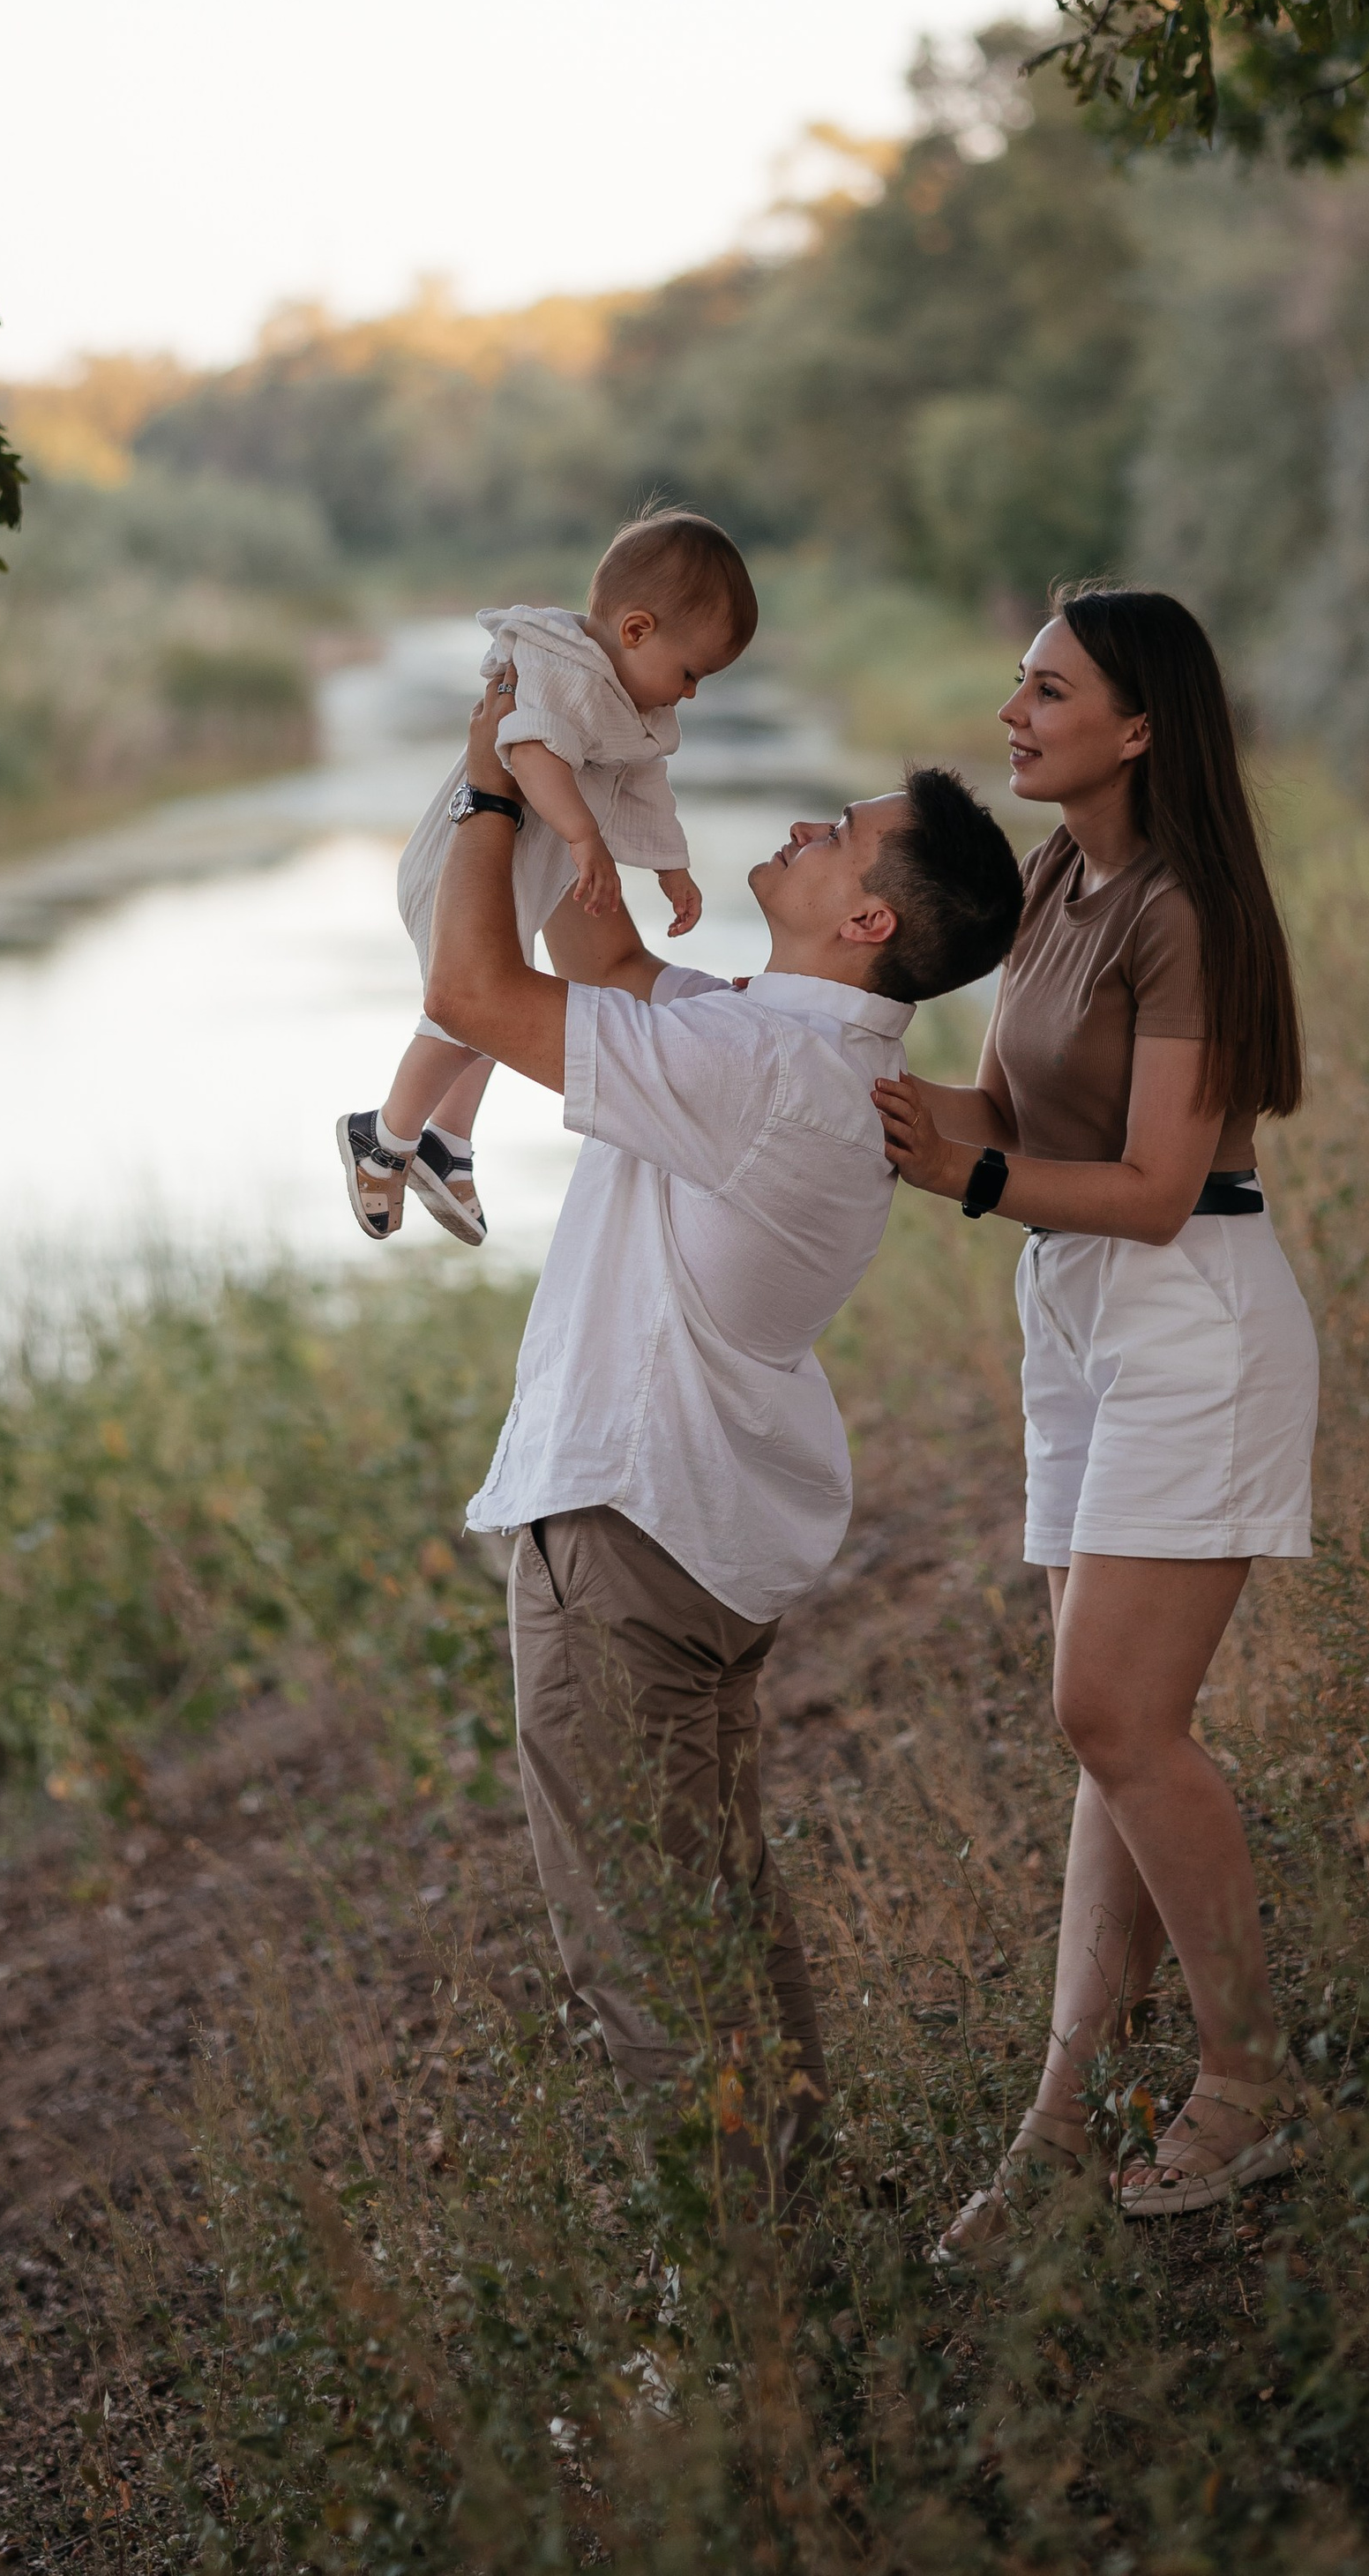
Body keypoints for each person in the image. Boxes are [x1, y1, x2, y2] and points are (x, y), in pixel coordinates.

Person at [423, 676, 1024, 2198]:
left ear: (871, 924)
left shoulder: (759, 1073)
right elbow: (606, 959)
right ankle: (799, 2249)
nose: (812, 826)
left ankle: (732, 2330)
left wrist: (488, 798)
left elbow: (477, 998)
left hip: (626, 1541)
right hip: (685, 1540)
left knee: (645, 1951)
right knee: (717, 1914)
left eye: (846, 838)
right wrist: (581, 780)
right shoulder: (791, 1047)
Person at [872, 585, 1319, 2249]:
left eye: (1049, 691)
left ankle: (1251, 2083)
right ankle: (1066, 2115)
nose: (1014, 710)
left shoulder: (1184, 908)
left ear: (1138, 728)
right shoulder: (1061, 875)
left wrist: (973, 1174)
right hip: (1072, 1315)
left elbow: (1154, 1180)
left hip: (1188, 1311)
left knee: (1117, 1719)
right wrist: (841, 1081)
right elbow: (1007, 1103)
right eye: (1017, 680)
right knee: (1101, 1735)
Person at [337, 510, 759, 1250]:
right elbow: (525, 751)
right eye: (690, 672)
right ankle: (383, 1135)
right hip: (461, 863)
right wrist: (583, 836)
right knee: (470, 1007)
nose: (690, 693)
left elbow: (646, 787)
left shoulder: (633, 706)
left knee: (504, 1006)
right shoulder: (563, 670)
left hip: (519, 873)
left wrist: (672, 866)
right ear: (635, 631)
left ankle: (448, 1143)